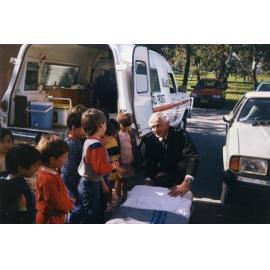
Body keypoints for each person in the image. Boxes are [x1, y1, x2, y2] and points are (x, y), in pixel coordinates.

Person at [140, 112, 199, 197]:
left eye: (158, 125)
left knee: (180, 198)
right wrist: (148, 180)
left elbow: (192, 157)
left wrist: (186, 183)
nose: (155, 130)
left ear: (167, 124)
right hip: (160, 175)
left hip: (179, 174)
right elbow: (148, 162)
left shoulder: (181, 135)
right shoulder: (148, 139)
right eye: (152, 127)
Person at [78, 108, 121, 223]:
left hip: (88, 183)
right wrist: (112, 166)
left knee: (92, 213)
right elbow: (99, 169)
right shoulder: (96, 145)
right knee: (92, 216)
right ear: (101, 125)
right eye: (105, 123)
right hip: (90, 185)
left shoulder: (89, 141)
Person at [35, 135, 74, 224]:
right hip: (50, 219)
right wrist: (69, 205)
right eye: (64, 157)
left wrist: (67, 200)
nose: (66, 159)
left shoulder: (51, 171)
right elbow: (56, 202)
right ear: (52, 159)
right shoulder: (48, 178)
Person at [0, 144, 41, 224]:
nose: (37, 169)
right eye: (35, 166)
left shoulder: (4, 178)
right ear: (21, 168)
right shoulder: (20, 189)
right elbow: (26, 216)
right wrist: (23, 208)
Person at [61, 112, 85, 223]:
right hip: (71, 180)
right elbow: (69, 167)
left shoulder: (77, 141)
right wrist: (77, 180)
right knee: (76, 206)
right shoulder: (71, 143)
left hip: (74, 179)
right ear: (74, 128)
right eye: (82, 128)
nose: (84, 131)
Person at [116, 112, 138, 202]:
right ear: (119, 124)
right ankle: (118, 196)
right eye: (124, 126)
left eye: (127, 126)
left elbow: (134, 146)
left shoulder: (131, 133)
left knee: (126, 180)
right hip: (120, 161)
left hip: (129, 160)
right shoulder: (117, 134)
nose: (125, 128)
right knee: (119, 180)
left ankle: (125, 195)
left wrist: (135, 158)